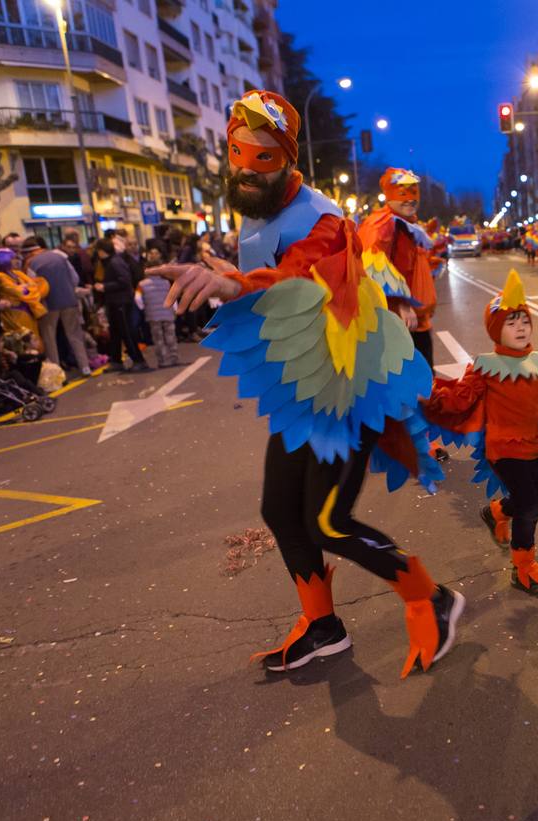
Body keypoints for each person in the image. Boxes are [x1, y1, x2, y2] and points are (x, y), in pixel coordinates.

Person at [147, 89, 461, 676]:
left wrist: (238, 286)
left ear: (289, 160)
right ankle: (323, 626)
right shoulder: (258, 208)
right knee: (279, 510)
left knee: (326, 520)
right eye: (237, 153)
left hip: (346, 389)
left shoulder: (322, 218)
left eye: (263, 158)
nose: (245, 168)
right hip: (304, 390)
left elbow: (306, 269)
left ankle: (431, 596)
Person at [424, 270, 538, 595]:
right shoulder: (485, 366)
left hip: (531, 445)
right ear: (496, 331)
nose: (521, 328)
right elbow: (458, 399)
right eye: (511, 323)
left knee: (536, 496)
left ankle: (496, 511)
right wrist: (426, 393)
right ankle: (523, 566)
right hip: (501, 447)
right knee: (530, 506)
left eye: (524, 321)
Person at [357, 168, 439, 368]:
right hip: (396, 320)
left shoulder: (405, 223)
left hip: (412, 320)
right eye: (403, 194)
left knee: (422, 379)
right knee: (412, 381)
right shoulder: (382, 225)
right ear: (389, 196)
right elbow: (373, 266)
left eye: (414, 193)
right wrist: (401, 302)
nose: (410, 199)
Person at [23, 236, 91, 379]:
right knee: (75, 335)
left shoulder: (32, 263)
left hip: (49, 304)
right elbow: (75, 279)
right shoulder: (60, 257)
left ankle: (57, 373)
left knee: (49, 337)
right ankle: (85, 367)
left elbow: (32, 287)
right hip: (69, 300)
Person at [92, 237, 150, 372]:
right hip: (114, 302)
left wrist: (105, 286)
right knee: (116, 333)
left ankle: (138, 360)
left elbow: (124, 281)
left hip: (121, 303)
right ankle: (116, 360)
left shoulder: (114, 262)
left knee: (126, 332)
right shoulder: (109, 262)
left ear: (101, 251)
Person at [135, 247, 180, 368]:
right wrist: (175, 309)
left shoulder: (141, 284)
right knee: (170, 336)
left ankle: (163, 360)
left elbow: (137, 299)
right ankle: (174, 357)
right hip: (167, 313)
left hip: (153, 315)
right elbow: (172, 296)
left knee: (158, 338)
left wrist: (144, 308)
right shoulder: (166, 283)